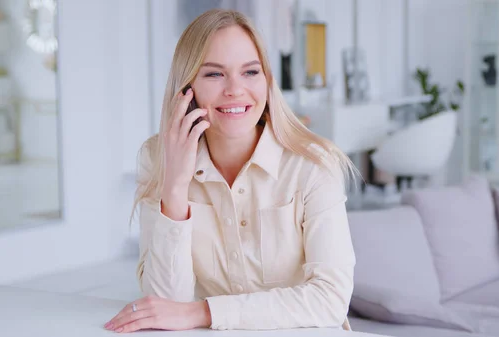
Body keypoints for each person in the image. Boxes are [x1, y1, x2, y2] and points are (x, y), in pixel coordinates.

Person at [104, 8, 358, 333]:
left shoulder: (313, 165)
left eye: (250, 72)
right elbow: (166, 303)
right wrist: (176, 187)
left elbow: (330, 299)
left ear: (267, 80)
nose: (235, 89)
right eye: (214, 74)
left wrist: (205, 313)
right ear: (187, 88)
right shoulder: (158, 158)